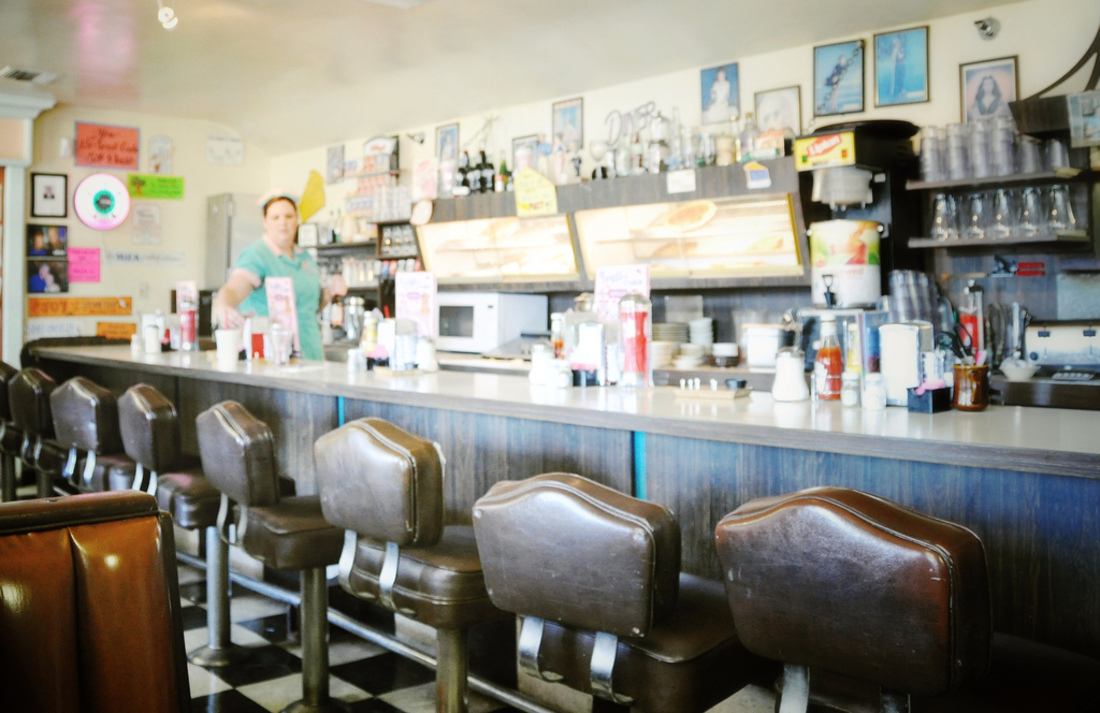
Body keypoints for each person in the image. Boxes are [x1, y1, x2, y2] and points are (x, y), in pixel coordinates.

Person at [212, 193, 346, 361]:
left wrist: (329, 293)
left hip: (311, 354)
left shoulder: (305, 258)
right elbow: (234, 287)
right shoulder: (257, 255)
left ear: (297, 220)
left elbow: (312, 307)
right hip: (272, 357)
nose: (283, 223)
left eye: (288, 216)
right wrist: (224, 304)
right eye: (275, 217)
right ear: (265, 223)